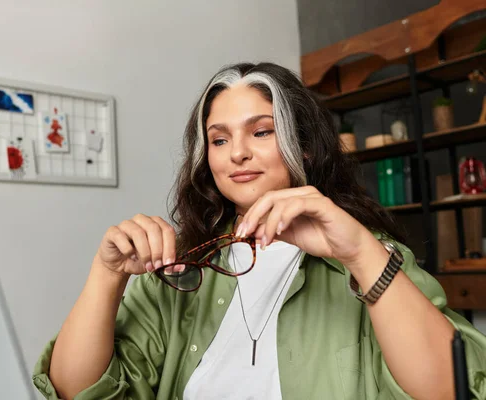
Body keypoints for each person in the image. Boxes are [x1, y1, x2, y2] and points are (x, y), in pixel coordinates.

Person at [33, 62, 486, 400]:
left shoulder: (371, 260)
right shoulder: (179, 274)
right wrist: (106, 273)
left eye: (262, 132)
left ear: (304, 147)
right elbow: (74, 391)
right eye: (220, 139)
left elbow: (453, 388)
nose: (237, 155)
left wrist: (363, 256)